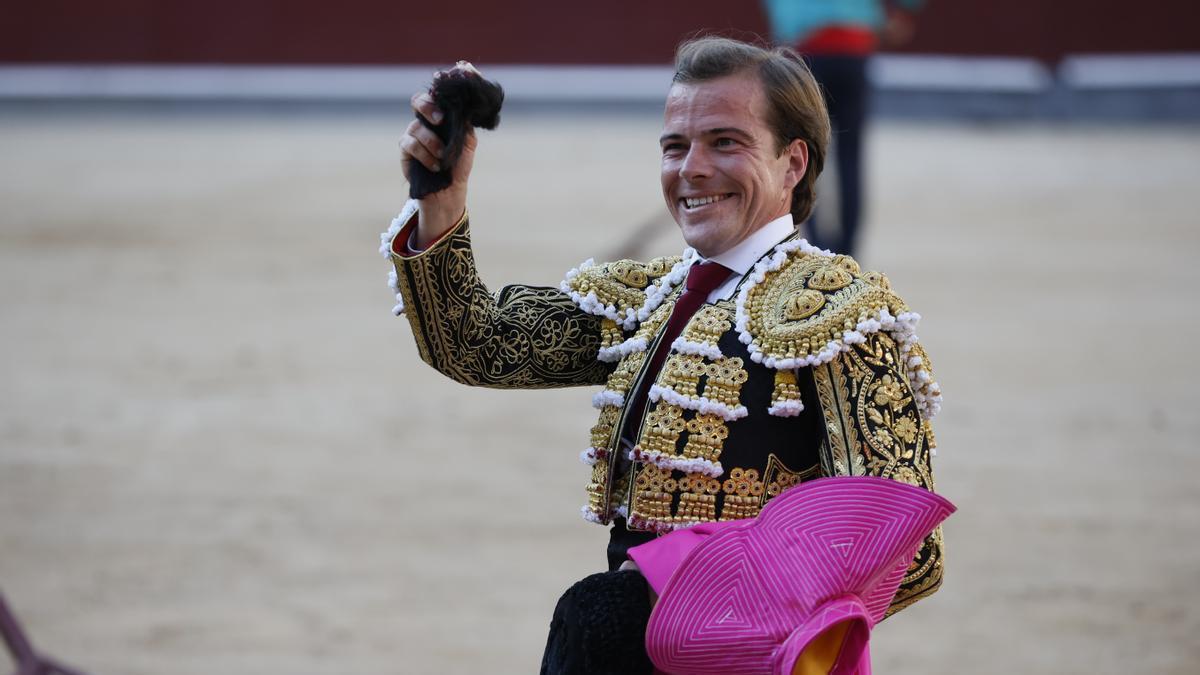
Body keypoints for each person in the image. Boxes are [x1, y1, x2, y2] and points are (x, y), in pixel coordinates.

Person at [382, 36, 943, 674]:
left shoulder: (839, 312)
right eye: (675, 147)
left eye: (725, 142)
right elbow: (478, 344)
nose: (692, 168)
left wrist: (699, 619)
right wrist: (442, 198)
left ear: (793, 162)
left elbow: (908, 549)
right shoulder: (649, 297)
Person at [762, 0, 925, 257]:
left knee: (805, 154)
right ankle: (848, 250)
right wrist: (887, 18)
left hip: (808, 49)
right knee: (850, 156)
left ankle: (816, 246)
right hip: (852, 48)